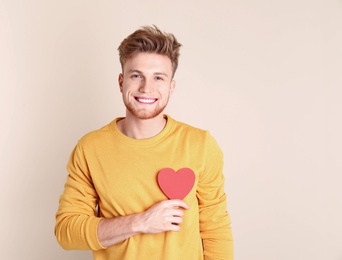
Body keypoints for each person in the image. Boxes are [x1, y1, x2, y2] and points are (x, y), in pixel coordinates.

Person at [55, 25, 233, 260]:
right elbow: (67, 232)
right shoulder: (90, 148)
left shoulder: (200, 144)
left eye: (158, 77)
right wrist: (140, 222)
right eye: (136, 75)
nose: (146, 88)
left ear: (171, 87)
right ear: (121, 82)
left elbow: (215, 230)